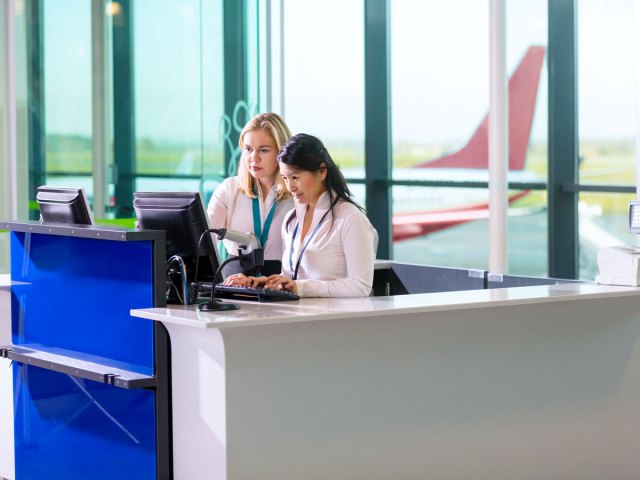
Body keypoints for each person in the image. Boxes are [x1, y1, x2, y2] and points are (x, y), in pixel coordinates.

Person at [224, 133, 378, 297]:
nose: (290, 187)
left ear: (322, 172)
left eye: (295, 177)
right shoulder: (291, 220)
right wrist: (262, 283)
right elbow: (291, 279)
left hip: (333, 313)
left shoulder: (350, 218)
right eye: (285, 178)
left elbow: (361, 286)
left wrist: (301, 287)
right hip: (297, 311)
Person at [207, 112, 294, 276]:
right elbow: (205, 239)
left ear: (281, 152)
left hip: (279, 281)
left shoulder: (296, 195)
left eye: (264, 150)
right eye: (248, 149)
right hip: (235, 279)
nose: (254, 158)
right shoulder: (229, 189)